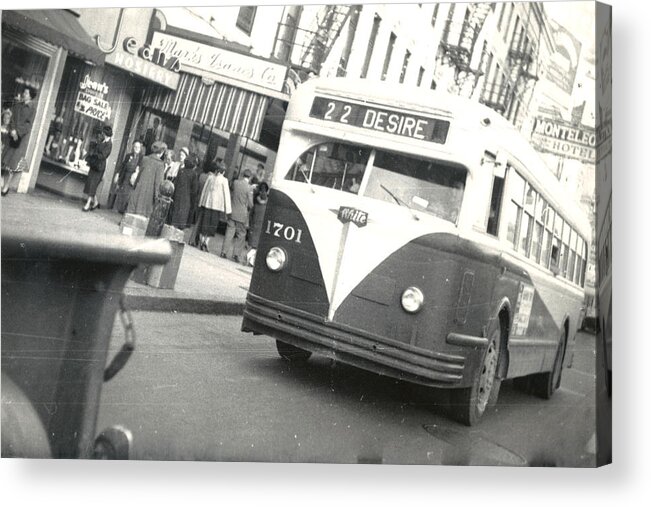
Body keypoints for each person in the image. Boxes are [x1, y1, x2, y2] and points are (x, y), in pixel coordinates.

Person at [2, 87, 37, 196]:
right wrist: (12, 130)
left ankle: (6, 186)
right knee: (5, 160)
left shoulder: (32, 109)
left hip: (20, 139)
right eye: (24, 92)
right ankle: (2, 182)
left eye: (26, 93)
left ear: (30, 95)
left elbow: (28, 125)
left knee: (13, 163)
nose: (24, 94)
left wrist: (17, 132)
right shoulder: (18, 105)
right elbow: (11, 119)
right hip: (11, 136)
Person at [195, 161, 231, 251]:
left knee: (205, 223)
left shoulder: (210, 178)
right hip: (217, 207)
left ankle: (202, 240)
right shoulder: (224, 181)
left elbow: (204, 191)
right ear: (224, 172)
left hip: (207, 204)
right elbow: (226, 195)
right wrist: (228, 210)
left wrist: (201, 203)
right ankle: (206, 242)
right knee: (212, 225)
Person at [126, 140, 166, 217]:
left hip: (138, 190)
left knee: (132, 214)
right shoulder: (160, 164)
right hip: (149, 195)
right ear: (162, 151)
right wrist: (158, 198)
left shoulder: (145, 159)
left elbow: (138, 176)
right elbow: (159, 183)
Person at [221, 169, 253, 263]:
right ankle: (236, 254)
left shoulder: (235, 183)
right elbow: (251, 204)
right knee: (241, 235)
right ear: (250, 177)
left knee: (229, 232)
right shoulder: (249, 188)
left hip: (233, 212)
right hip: (242, 215)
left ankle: (223, 252)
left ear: (242, 175)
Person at [82, 125, 113, 211]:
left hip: (99, 167)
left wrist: (93, 153)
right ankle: (95, 202)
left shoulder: (109, 144)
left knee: (93, 185)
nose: (102, 134)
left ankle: (88, 204)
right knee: (90, 184)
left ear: (105, 133)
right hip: (94, 165)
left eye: (103, 132)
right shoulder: (103, 141)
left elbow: (103, 155)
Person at [168, 151, 198, 230]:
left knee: (174, 218)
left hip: (177, 197)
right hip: (186, 200)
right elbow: (194, 191)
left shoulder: (181, 171)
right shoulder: (194, 174)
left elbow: (176, 184)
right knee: (181, 221)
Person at [113, 140, 144, 214]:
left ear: (140, 148)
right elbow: (123, 166)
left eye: (138, 147)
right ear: (133, 147)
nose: (136, 148)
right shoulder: (128, 156)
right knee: (123, 194)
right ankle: (121, 210)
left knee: (130, 196)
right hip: (126, 177)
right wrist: (118, 174)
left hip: (134, 179)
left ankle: (126, 212)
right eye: (135, 147)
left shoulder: (142, 158)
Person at [248, 181, 269, 250]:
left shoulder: (256, 199)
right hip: (261, 221)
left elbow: (251, 213)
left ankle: (250, 245)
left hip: (255, 220)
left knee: (252, 233)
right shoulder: (267, 203)